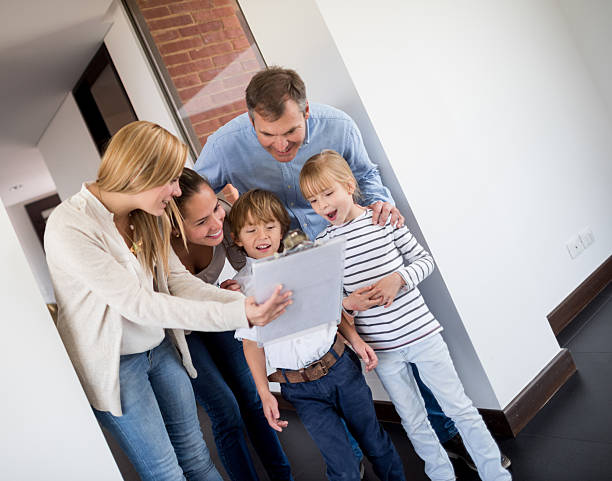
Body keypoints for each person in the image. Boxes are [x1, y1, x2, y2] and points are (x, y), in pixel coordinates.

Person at [194, 66, 485, 466]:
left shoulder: (339, 126)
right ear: (251, 121)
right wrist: (217, 274)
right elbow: (194, 201)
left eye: (291, 132)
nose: (280, 145)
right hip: (288, 251)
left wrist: (380, 204)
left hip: (347, 241)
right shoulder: (224, 145)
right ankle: (348, 458)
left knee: (390, 334)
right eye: (267, 135)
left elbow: (365, 174)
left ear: (306, 112)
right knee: (317, 352)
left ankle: (448, 433)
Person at [44, 121, 291, 481]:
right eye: (171, 180)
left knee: (197, 459)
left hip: (159, 349)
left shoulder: (149, 217)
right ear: (142, 173)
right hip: (116, 367)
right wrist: (241, 312)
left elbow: (176, 283)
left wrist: (244, 307)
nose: (176, 190)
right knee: (165, 473)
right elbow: (139, 303)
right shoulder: (71, 225)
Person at [299, 150, 512, 481]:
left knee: (460, 408)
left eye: (328, 193)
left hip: (423, 336)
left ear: (350, 185)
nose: (323, 205)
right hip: (381, 350)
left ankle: (495, 475)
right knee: (412, 419)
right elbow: (331, 300)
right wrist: (349, 302)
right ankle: (440, 475)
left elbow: (424, 261)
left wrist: (398, 278)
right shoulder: (322, 244)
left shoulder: (383, 219)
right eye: (313, 200)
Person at [229, 189, 406, 481]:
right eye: (251, 230)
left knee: (376, 442)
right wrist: (264, 394)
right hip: (300, 389)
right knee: (342, 466)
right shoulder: (240, 289)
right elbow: (251, 345)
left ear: (282, 229)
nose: (263, 235)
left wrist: (357, 341)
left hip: (340, 369)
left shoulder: (305, 260)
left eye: (270, 226)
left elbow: (330, 310)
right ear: (237, 238)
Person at [171, 168, 293, 481]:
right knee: (226, 411)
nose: (216, 222)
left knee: (251, 397)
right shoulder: (157, 253)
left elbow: (257, 264)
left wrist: (239, 291)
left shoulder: (224, 219)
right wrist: (216, 297)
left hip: (218, 315)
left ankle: (283, 477)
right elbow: (167, 307)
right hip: (178, 329)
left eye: (215, 207)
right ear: (173, 226)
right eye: (201, 221)